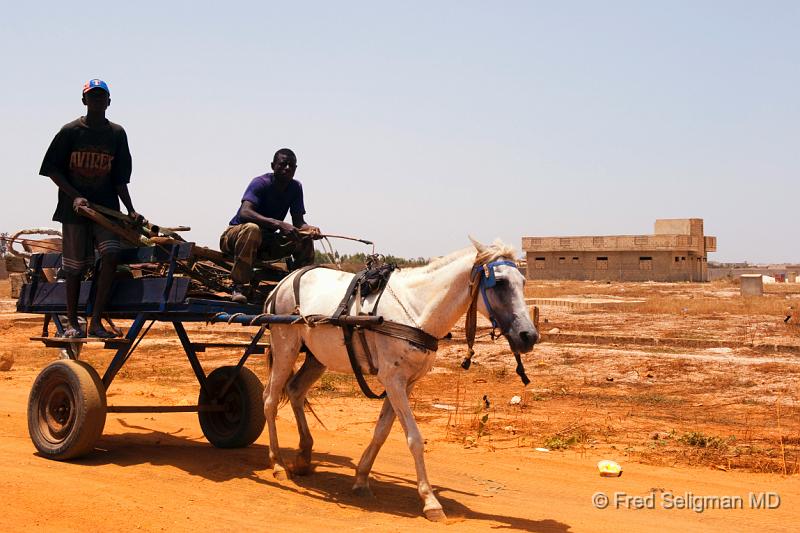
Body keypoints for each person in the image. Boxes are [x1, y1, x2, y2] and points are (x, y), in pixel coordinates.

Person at [39, 79, 140, 338]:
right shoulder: (70, 131)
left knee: (111, 255)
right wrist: (75, 196)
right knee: (73, 268)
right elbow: (51, 168)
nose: (96, 101)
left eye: (101, 97)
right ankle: (73, 323)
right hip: (74, 211)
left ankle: (95, 321)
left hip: (106, 210)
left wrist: (130, 210)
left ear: (109, 101)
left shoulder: (117, 133)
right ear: (84, 101)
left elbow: (120, 178)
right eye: (91, 97)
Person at [221, 148, 321, 303]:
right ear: (273, 165)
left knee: (304, 238)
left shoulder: (296, 188)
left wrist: (310, 230)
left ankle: (299, 287)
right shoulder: (260, 183)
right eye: (283, 164)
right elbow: (245, 213)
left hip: (265, 242)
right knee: (252, 229)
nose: (287, 168)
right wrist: (278, 223)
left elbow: (299, 222)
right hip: (236, 238)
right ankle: (239, 286)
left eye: (291, 165)